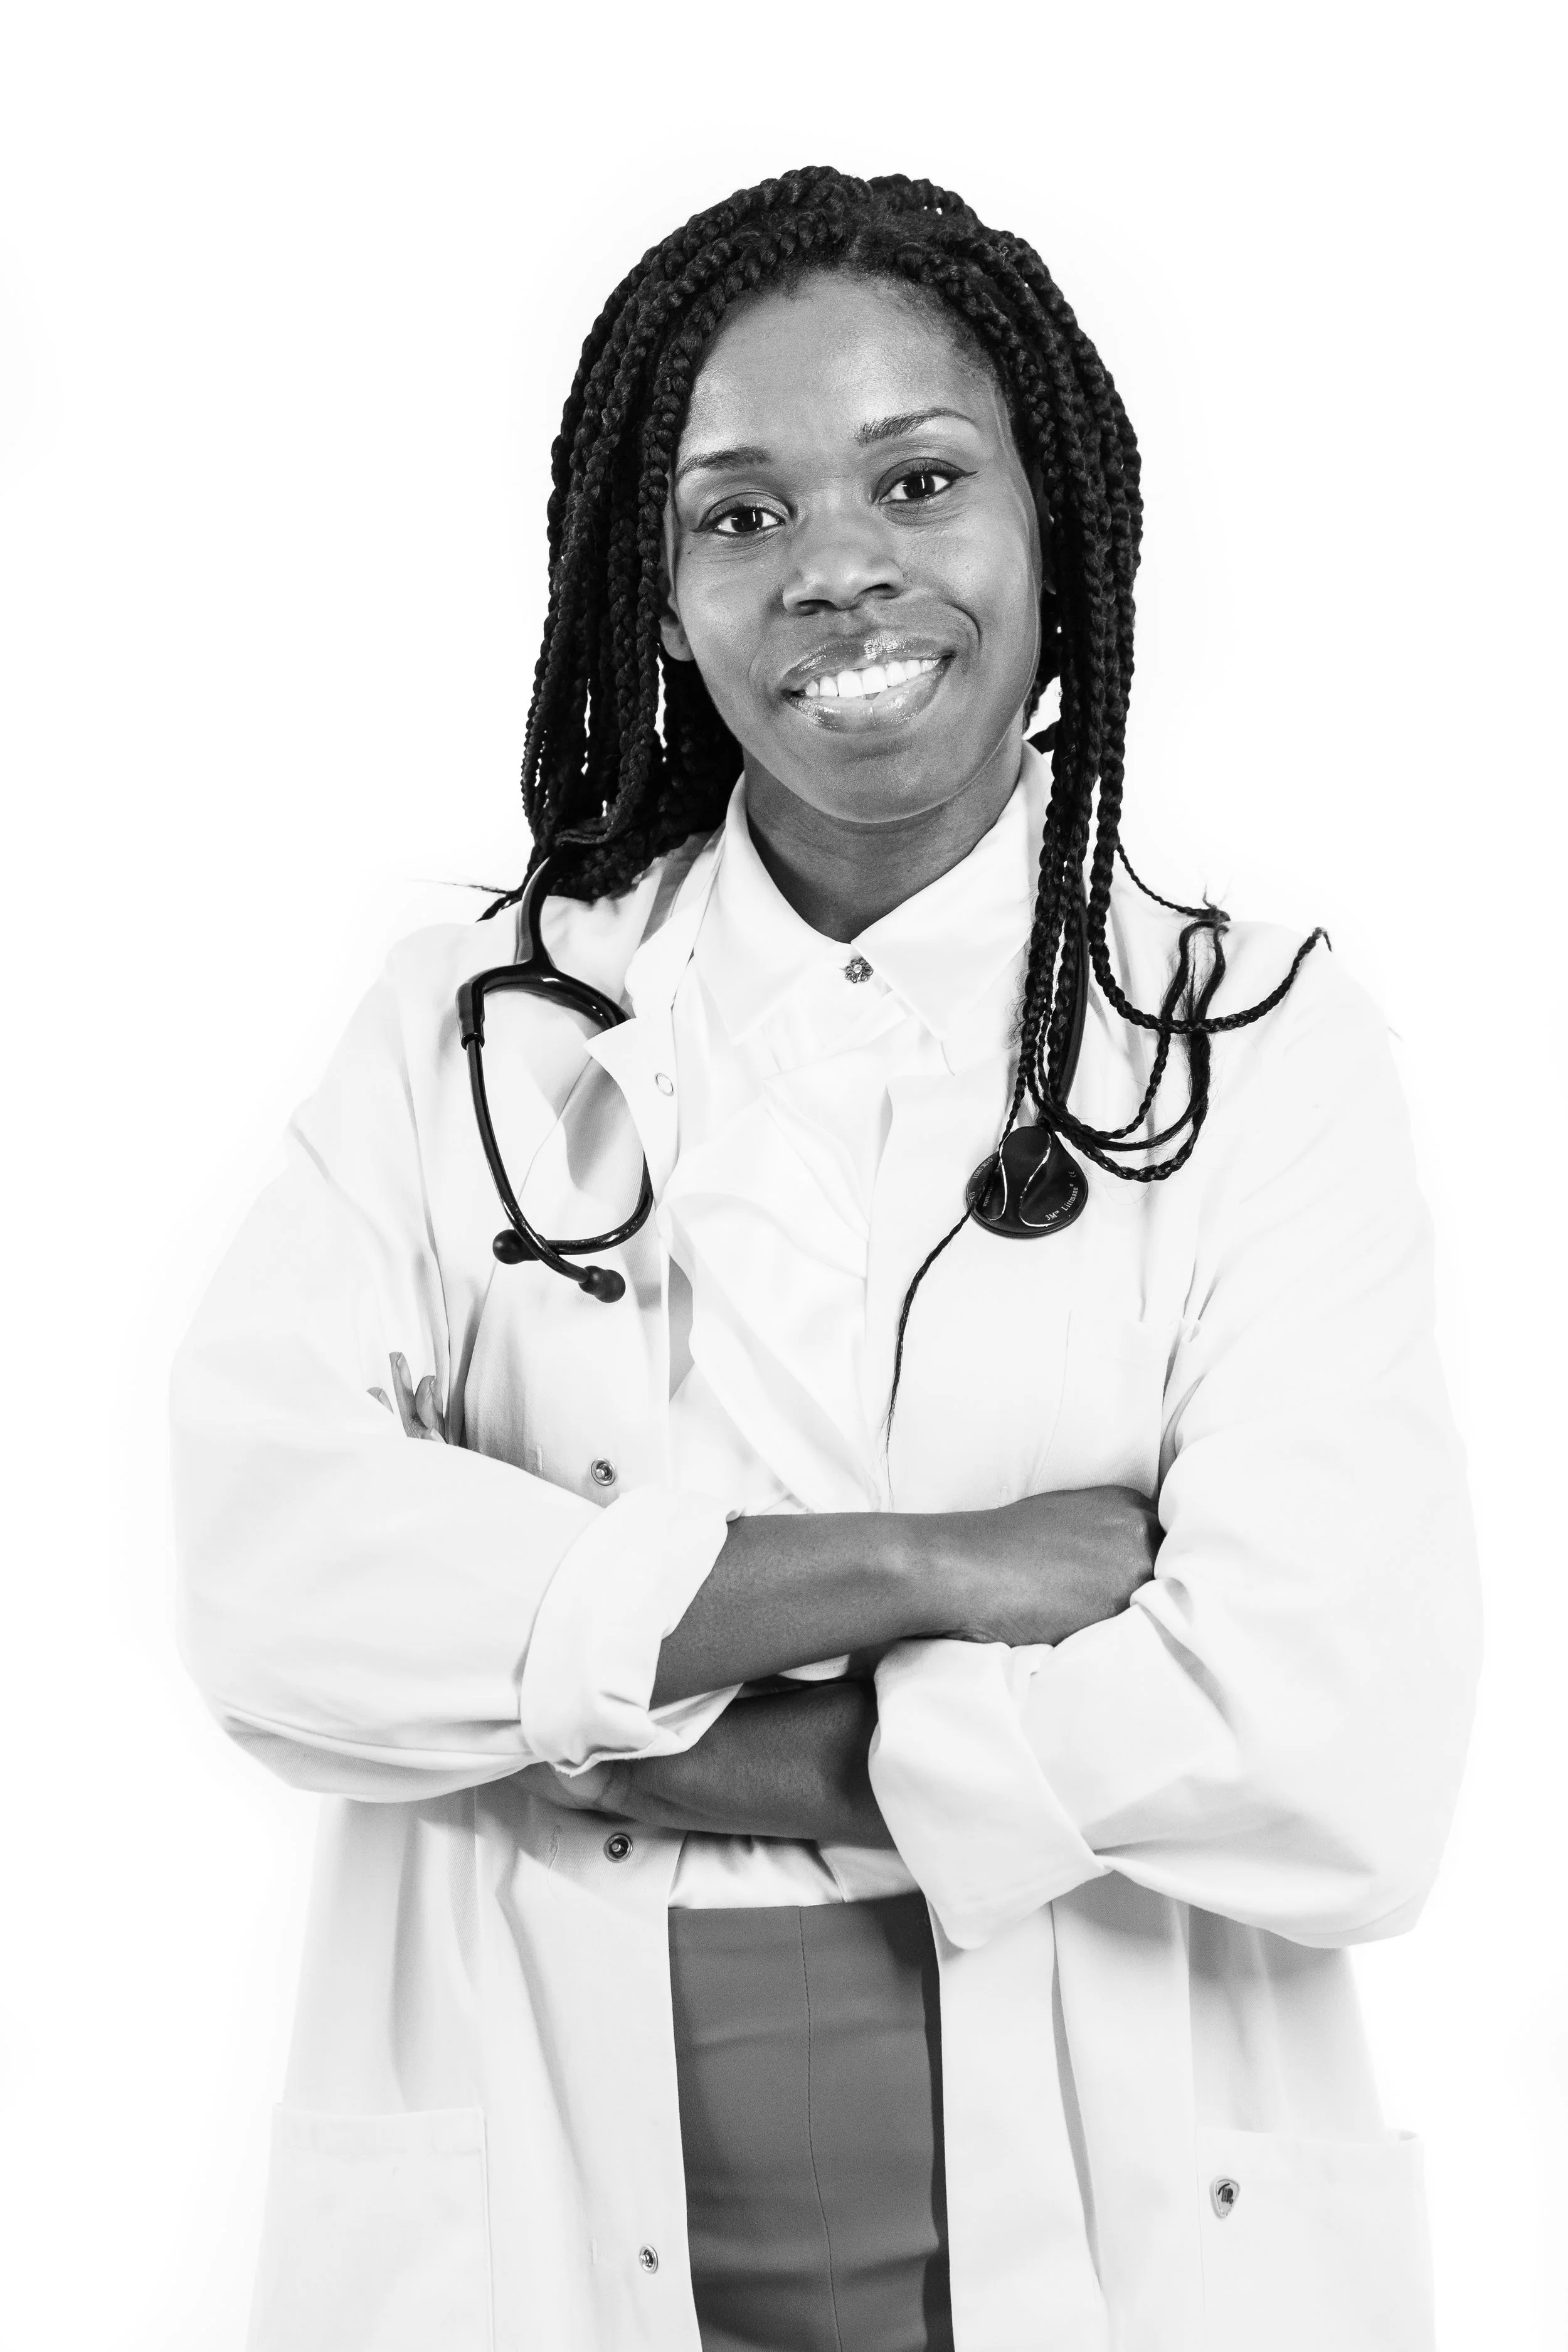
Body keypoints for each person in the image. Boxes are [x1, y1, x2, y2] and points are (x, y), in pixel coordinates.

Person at [169, 167, 1480, 2352]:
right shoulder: (472, 1028)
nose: (837, 566)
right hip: (536, 2211)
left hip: (1126, 2228)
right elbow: (271, 1580)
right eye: (739, 512)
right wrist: (945, 1566)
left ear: (1054, 530)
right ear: (653, 589)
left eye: (920, 477)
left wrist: (690, 1738)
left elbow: (1334, 1745)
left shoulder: (1256, 1052)